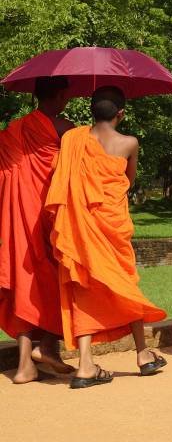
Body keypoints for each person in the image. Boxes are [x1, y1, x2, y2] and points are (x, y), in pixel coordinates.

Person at [45, 87, 168, 389]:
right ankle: (142, 355)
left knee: (83, 286)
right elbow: (129, 180)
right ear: (121, 113)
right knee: (125, 282)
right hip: (112, 225)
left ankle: (85, 364)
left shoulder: (72, 140)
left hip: (82, 228)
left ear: (91, 111)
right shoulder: (129, 143)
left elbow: (62, 179)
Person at [0, 76, 75, 383]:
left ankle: (24, 365)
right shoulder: (65, 129)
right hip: (49, 216)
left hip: (17, 217)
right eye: (66, 96)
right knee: (54, 279)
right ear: (58, 96)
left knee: (23, 280)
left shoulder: (13, 130)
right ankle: (48, 348)